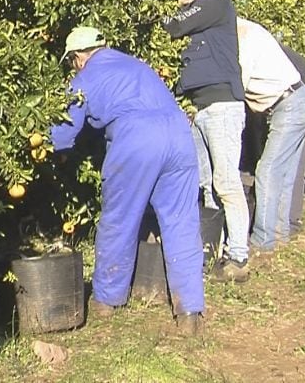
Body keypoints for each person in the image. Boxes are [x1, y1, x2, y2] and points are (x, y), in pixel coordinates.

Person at [48, 27, 205, 333]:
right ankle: (190, 313)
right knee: (182, 221)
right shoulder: (137, 65)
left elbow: (63, 134)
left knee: (120, 218)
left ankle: (107, 300)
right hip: (179, 136)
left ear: (78, 58)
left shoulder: (85, 78)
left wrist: (47, 148)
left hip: (137, 139)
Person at [160, 0, 250, 283]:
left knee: (226, 183)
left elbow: (175, 25)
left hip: (223, 107)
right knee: (208, 184)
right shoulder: (204, 12)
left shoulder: (214, 2)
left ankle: (239, 257)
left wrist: (149, 19)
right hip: (201, 108)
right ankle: (218, 252)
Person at [236, 18, 305, 253]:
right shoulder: (249, 30)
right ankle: (280, 233)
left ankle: (263, 239)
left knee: (268, 170)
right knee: (284, 171)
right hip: (298, 100)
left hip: (289, 104)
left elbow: (240, 83)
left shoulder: (244, 38)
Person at [279, 41, 305, 235]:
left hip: (303, 91)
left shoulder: (240, 41)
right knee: (297, 143)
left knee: (293, 154)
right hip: (294, 89)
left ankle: (291, 220)